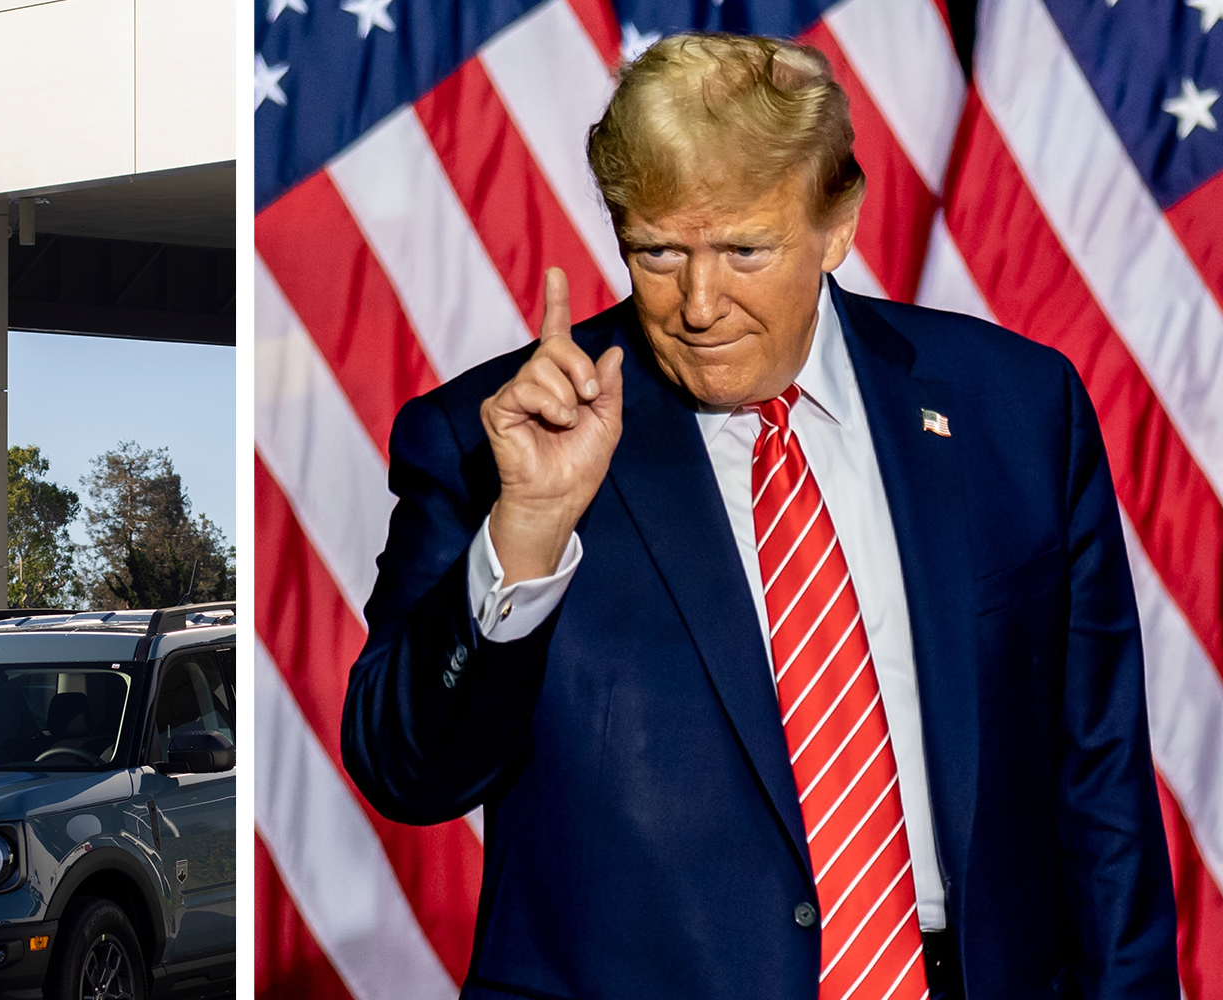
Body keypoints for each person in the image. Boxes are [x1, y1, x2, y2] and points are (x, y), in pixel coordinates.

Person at [340, 33, 1177, 1000]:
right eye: (657, 251)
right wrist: (525, 531)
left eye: (745, 248)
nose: (700, 304)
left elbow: (1102, 785)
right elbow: (407, 774)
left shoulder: (1018, 411)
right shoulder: (491, 441)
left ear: (838, 224)